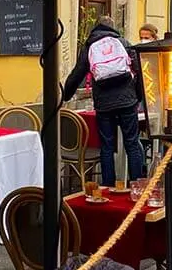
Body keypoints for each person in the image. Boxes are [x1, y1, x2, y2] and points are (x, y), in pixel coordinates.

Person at [62, 15, 145, 186]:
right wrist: (138, 96)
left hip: (104, 104)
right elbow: (139, 72)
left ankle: (108, 188)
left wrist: (65, 95)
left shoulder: (90, 46)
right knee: (132, 143)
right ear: (113, 28)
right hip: (127, 101)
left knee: (106, 147)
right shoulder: (124, 42)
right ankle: (137, 187)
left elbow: (77, 73)